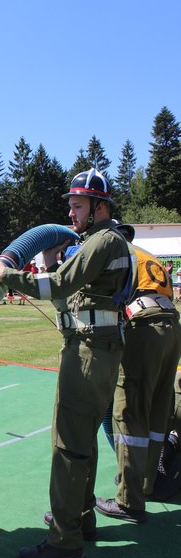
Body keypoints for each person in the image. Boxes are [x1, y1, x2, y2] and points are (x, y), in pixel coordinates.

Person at [0, 167, 132, 558]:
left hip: (89, 352)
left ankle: (64, 541)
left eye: (78, 206)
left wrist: (2, 273)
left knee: (67, 446)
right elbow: (69, 293)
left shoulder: (102, 241)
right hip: (98, 348)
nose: (72, 214)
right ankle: (80, 519)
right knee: (83, 440)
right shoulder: (105, 241)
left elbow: (57, 287)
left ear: (99, 207)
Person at [95, 222, 181, 523]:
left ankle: (129, 501)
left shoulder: (115, 254)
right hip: (170, 326)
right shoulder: (149, 257)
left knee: (129, 411)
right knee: (157, 411)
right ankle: (147, 482)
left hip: (143, 326)